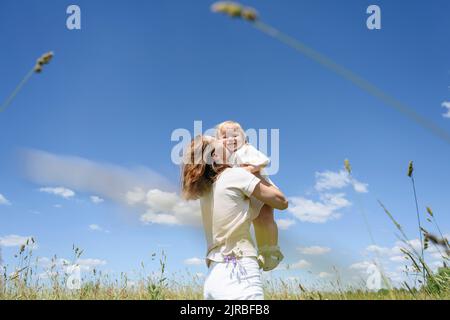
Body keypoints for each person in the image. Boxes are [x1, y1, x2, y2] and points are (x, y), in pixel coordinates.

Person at [181, 135, 288, 300]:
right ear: (214, 156)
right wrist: (255, 170)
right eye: (219, 142)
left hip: (213, 275)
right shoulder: (234, 175)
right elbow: (281, 202)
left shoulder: (207, 190)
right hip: (238, 271)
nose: (226, 142)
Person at [215, 120, 283, 271]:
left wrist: (247, 170)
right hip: (249, 192)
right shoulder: (226, 157)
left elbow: (263, 161)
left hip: (263, 188)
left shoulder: (246, 149)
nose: (231, 139)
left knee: (266, 218)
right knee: (257, 221)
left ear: (244, 139)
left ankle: (272, 249)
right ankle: (263, 250)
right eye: (225, 136)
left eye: (235, 135)